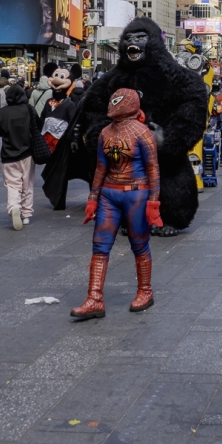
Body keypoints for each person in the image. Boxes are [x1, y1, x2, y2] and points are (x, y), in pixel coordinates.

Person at [71, 88, 161, 319]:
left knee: (139, 243)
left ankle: (145, 291)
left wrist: (153, 202)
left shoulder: (142, 133)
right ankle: (94, 299)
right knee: (100, 245)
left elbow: (153, 169)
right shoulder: (105, 132)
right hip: (110, 194)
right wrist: (93, 197)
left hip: (136, 193)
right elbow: (101, 167)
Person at [0, 84, 41, 230]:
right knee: (27, 184)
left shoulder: (2, 112)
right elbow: (38, 126)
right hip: (27, 153)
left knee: (12, 184)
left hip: (8, 154)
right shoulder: (29, 109)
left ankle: (14, 207)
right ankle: (26, 214)